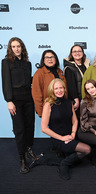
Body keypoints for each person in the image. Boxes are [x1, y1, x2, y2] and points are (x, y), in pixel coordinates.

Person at [1, 37, 39, 173]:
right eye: (13, 46)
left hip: (28, 98)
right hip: (15, 99)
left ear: (22, 47)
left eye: (18, 46)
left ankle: (29, 150)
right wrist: (9, 101)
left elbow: (29, 81)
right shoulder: (6, 62)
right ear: (10, 49)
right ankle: (22, 158)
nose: (16, 49)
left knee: (30, 126)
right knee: (19, 129)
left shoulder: (27, 63)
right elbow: (6, 82)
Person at [41, 79, 91, 180]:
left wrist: (72, 134)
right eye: (56, 88)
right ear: (52, 90)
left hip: (69, 136)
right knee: (87, 149)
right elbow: (44, 128)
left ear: (64, 89)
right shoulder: (48, 104)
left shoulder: (69, 103)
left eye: (61, 88)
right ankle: (64, 164)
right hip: (58, 138)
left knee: (81, 156)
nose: (59, 90)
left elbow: (75, 121)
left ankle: (65, 159)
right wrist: (62, 138)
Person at [32, 49, 67, 117]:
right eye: (47, 57)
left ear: (55, 59)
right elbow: (36, 95)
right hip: (49, 108)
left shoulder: (60, 71)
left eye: (52, 57)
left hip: (62, 107)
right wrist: (41, 112)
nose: (50, 59)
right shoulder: (39, 73)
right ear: (43, 60)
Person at [63, 44, 90, 115]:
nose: (77, 53)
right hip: (77, 100)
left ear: (83, 53)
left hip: (87, 99)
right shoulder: (69, 68)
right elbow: (70, 86)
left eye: (79, 51)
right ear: (71, 54)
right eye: (74, 51)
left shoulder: (87, 66)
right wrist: (76, 100)